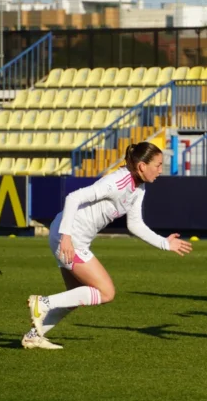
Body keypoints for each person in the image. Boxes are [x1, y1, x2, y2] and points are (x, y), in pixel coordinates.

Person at [24, 143, 193, 349]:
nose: (160, 170)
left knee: (75, 296)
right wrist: (66, 236)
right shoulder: (117, 182)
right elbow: (73, 197)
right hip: (69, 237)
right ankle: (42, 303)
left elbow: (134, 224)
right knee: (106, 292)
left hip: (71, 237)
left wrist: (164, 243)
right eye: (157, 165)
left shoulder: (139, 187)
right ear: (141, 166)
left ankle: (34, 335)